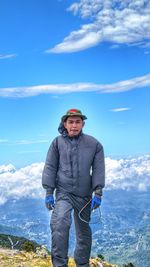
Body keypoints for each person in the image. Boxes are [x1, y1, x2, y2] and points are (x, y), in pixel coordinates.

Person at [42, 108, 105, 267]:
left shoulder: (94, 144)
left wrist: (98, 192)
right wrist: (49, 192)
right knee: (60, 224)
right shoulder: (57, 143)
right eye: (71, 122)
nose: (74, 125)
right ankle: (59, 264)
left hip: (84, 195)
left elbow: (98, 169)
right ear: (65, 123)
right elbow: (50, 167)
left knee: (83, 232)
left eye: (78, 122)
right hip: (64, 193)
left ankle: (82, 264)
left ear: (83, 124)